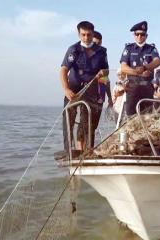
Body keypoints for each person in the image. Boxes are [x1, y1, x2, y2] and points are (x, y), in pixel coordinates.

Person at [60, 21, 109, 153]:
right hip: (74, 89)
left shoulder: (101, 51)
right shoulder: (73, 49)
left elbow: (106, 72)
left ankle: (87, 152)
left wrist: (103, 73)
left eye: (89, 35)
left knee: (86, 122)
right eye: (83, 35)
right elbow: (64, 70)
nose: (86, 38)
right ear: (79, 34)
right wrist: (66, 89)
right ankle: (68, 151)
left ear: (92, 34)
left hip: (91, 90)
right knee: (68, 119)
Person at [119, 21, 160, 116]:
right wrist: (138, 72)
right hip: (132, 89)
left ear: (146, 35)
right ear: (134, 35)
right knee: (131, 118)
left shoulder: (151, 49)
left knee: (147, 118)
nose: (139, 36)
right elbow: (123, 67)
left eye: (142, 34)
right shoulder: (128, 48)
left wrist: (145, 67)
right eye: (137, 34)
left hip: (147, 89)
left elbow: (157, 61)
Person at [92, 31, 113, 107]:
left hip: (100, 97)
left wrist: (110, 97)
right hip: (87, 96)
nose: (96, 46)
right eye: (94, 43)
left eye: (99, 44)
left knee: (96, 118)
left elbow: (106, 78)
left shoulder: (103, 55)